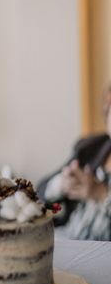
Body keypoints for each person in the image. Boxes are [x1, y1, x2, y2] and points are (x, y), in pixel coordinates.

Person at [37, 85, 111, 241]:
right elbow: (40, 191)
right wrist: (62, 184)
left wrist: (102, 194)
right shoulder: (91, 147)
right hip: (68, 240)